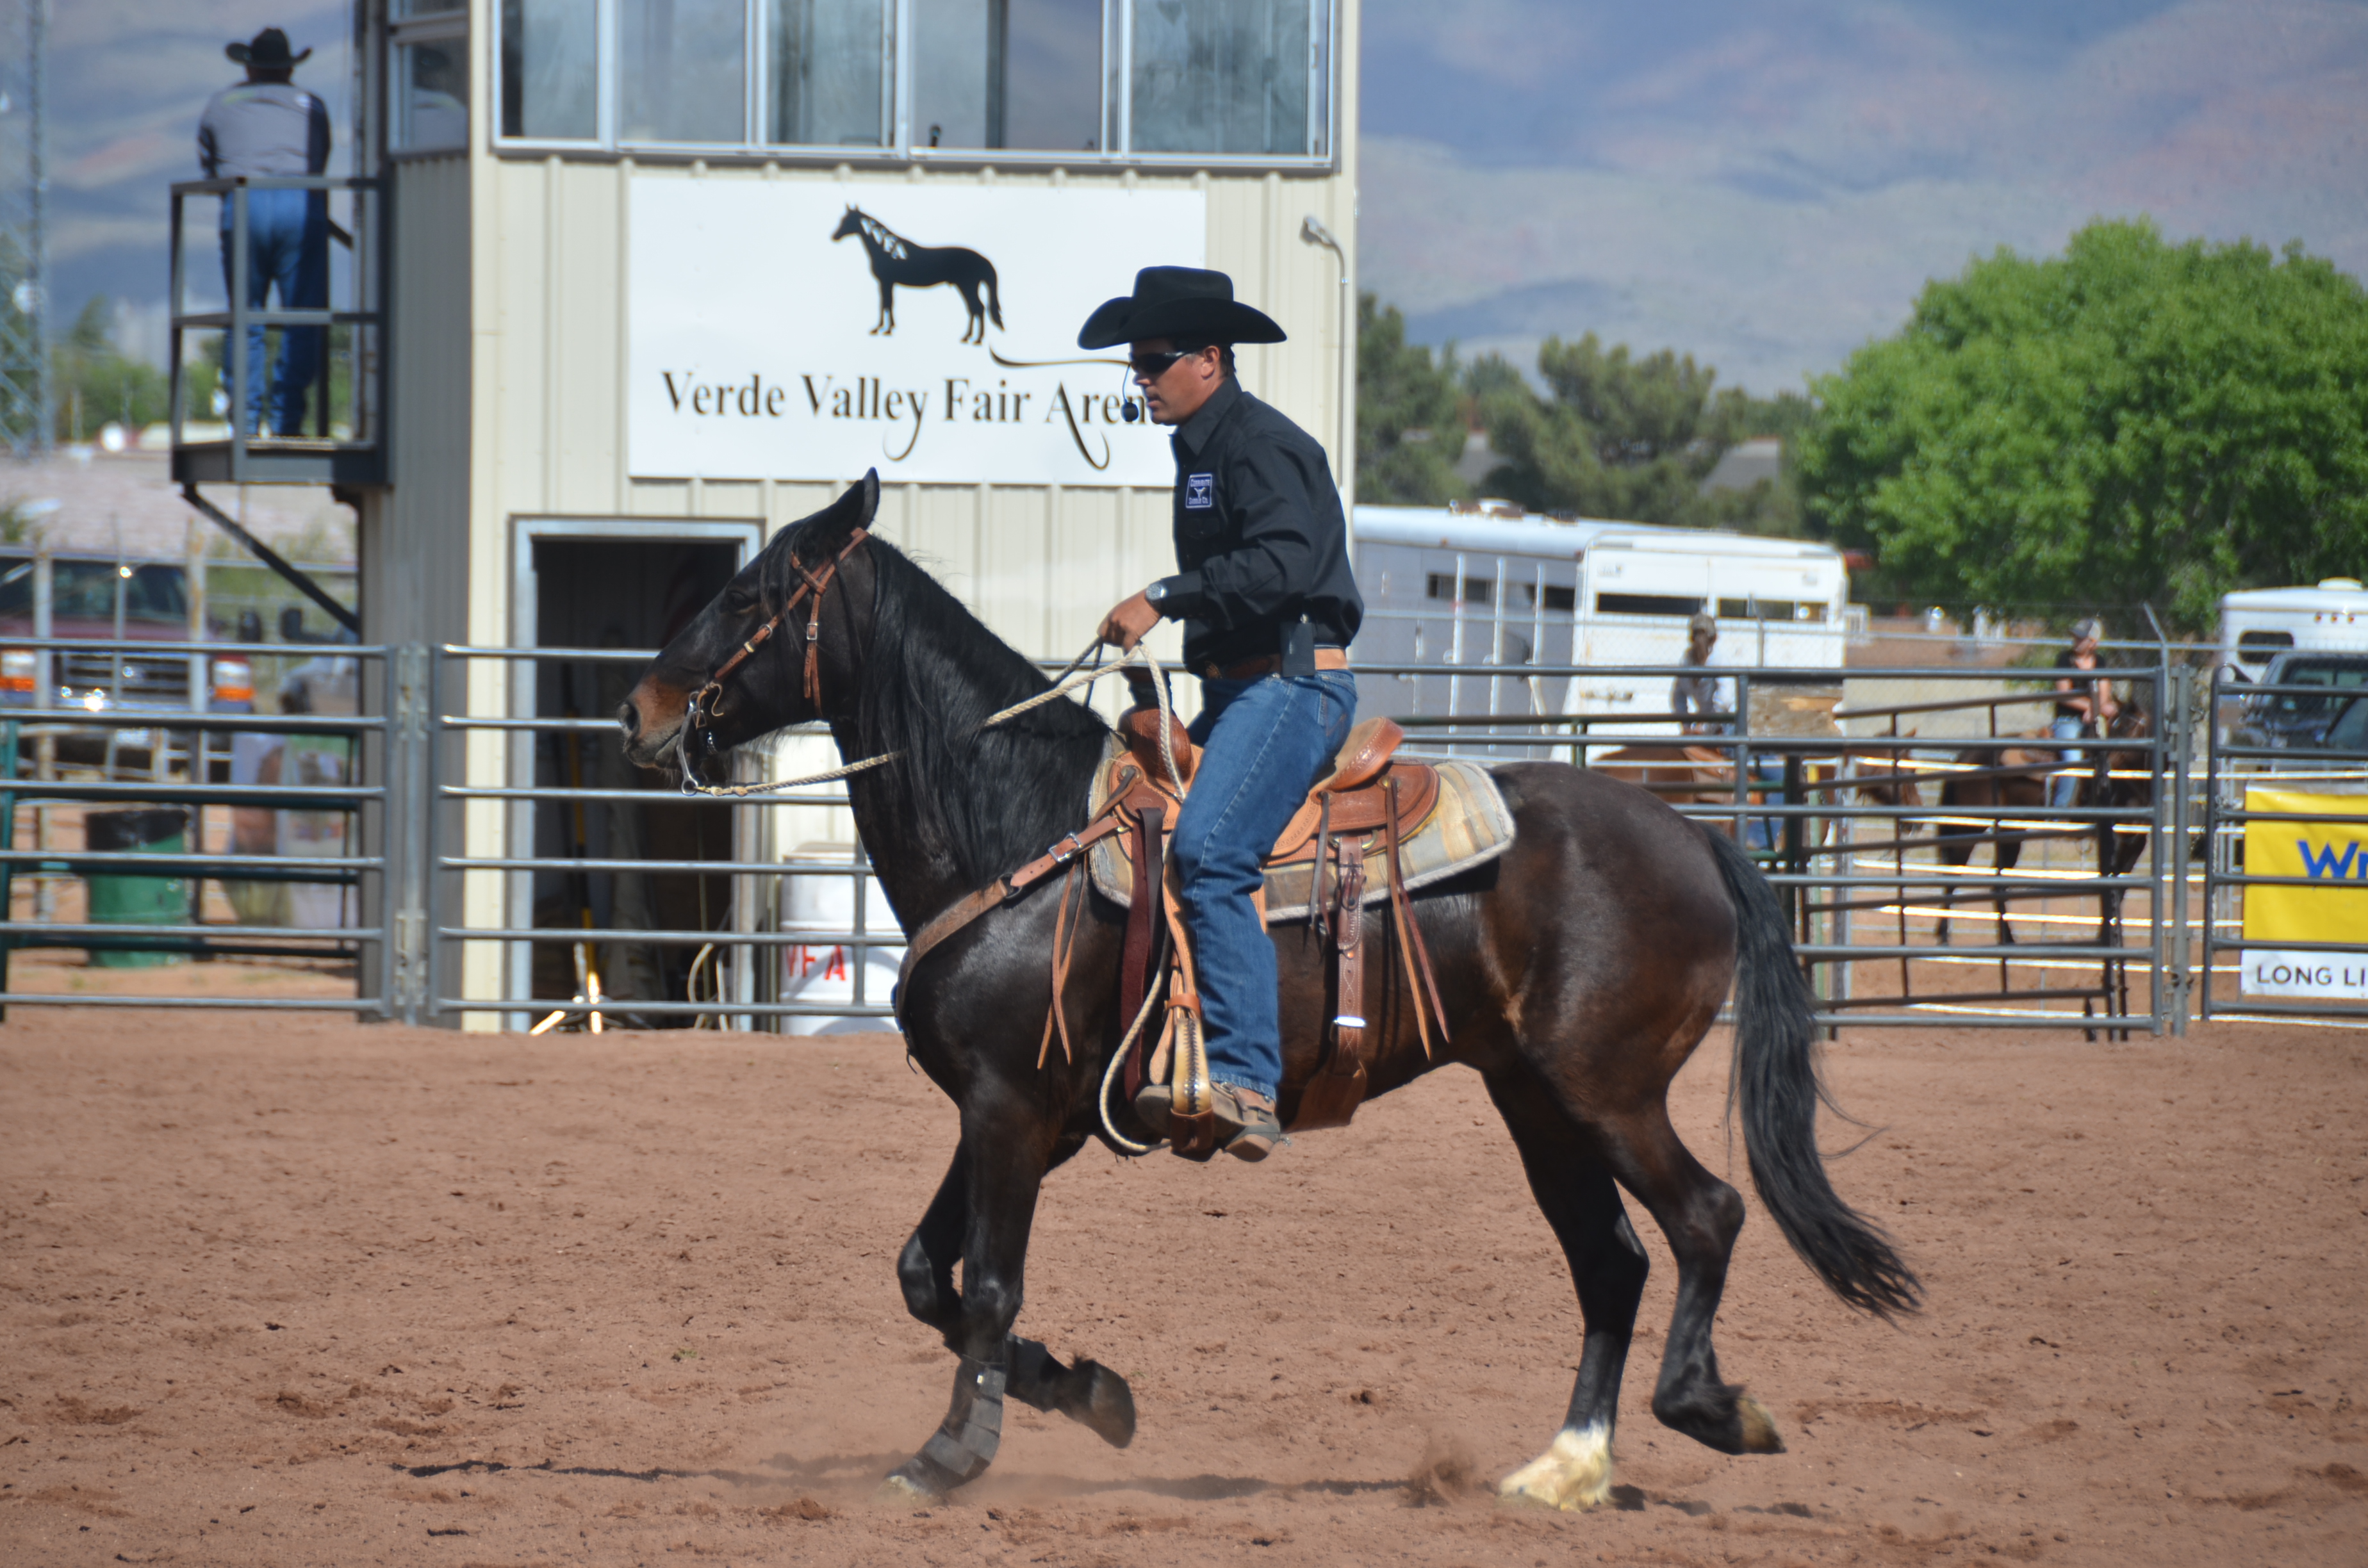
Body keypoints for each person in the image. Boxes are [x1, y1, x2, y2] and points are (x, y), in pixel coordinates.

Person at [1083, 266, 1362, 1163]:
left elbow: (1283, 566)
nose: (1144, 380)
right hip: (1238, 689)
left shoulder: (1259, 446)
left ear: (1210, 359)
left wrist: (1164, 596)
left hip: (1292, 685)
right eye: (1138, 366)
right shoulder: (1203, 450)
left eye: (1157, 362)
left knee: (1208, 853)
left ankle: (1246, 1078)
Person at [198, 28, 332, 437]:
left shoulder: (221, 104)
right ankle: (288, 421)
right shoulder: (312, 106)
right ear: (291, 67)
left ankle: (244, 421)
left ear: (248, 66)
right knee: (301, 316)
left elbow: (209, 160)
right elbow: (320, 159)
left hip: (243, 204)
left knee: (245, 315)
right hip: (299, 203)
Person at [2050, 618, 2117, 808]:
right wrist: (2092, 707)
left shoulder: (2100, 661)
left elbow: (2105, 694)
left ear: (2093, 643)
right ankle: (2060, 811)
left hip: (2095, 720)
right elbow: (2064, 695)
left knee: (2113, 756)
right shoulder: (2065, 659)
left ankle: (2105, 806)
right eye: (2076, 637)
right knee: (2073, 760)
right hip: (2068, 720)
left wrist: (2095, 709)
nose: (2076, 641)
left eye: (2081, 638)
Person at [1672, 612, 1729, 733]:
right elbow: (1678, 695)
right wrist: (1686, 726)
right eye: (1696, 634)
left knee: (1730, 748)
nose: (1699, 640)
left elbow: (1725, 700)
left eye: (1704, 635)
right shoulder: (1687, 661)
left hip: (1728, 721)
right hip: (1704, 719)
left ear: (1712, 639)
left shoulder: (1719, 660)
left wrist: (1705, 727)